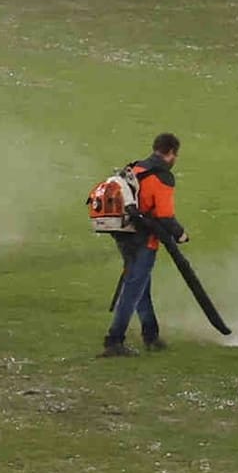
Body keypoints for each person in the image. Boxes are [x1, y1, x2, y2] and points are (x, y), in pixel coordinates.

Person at [103, 133, 187, 358]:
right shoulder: (163, 177)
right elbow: (165, 216)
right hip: (144, 240)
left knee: (141, 287)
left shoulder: (136, 169)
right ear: (171, 153)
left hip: (123, 234)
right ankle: (114, 340)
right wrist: (181, 234)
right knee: (133, 289)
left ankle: (151, 335)